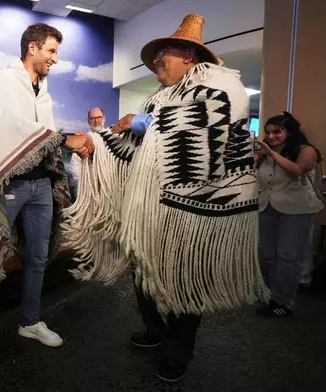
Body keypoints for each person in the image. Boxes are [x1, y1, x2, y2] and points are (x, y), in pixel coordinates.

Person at [61, 14, 267, 383]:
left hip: (198, 208)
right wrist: (100, 142)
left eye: (163, 58)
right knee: (147, 272)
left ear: (188, 54)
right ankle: (156, 330)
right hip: (156, 208)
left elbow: (201, 126)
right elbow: (141, 142)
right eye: (154, 61)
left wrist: (141, 123)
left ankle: (178, 351)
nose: (156, 66)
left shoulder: (221, 86)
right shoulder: (162, 97)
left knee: (185, 278)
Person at [0, 22, 92, 380]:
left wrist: (72, 142)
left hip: (41, 187)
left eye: (56, 53)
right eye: (51, 51)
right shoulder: (7, 80)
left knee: (37, 258)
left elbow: (39, 136)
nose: (54, 59)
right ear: (32, 48)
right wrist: (66, 139)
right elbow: (14, 127)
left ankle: (30, 321)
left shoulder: (42, 91)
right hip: (9, 187)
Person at [255, 111, 323, 317]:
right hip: (267, 206)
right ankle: (273, 295)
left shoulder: (306, 150)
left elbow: (298, 170)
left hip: (296, 209)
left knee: (287, 256)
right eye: (268, 132)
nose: (272, 136)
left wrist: (272, 153)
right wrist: (259, 156)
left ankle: (284, 303)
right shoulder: (266, 152)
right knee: (269, 256)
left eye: (277, 132)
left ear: (290, 132)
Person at [69, 107, 106, 186]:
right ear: (88, 121)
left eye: (99, 117)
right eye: (92, 118)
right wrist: (86, 184)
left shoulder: (112, 138)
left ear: (104, 118)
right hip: (89, 187)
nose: (96, 121)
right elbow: (74, 166)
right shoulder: (82, 140)